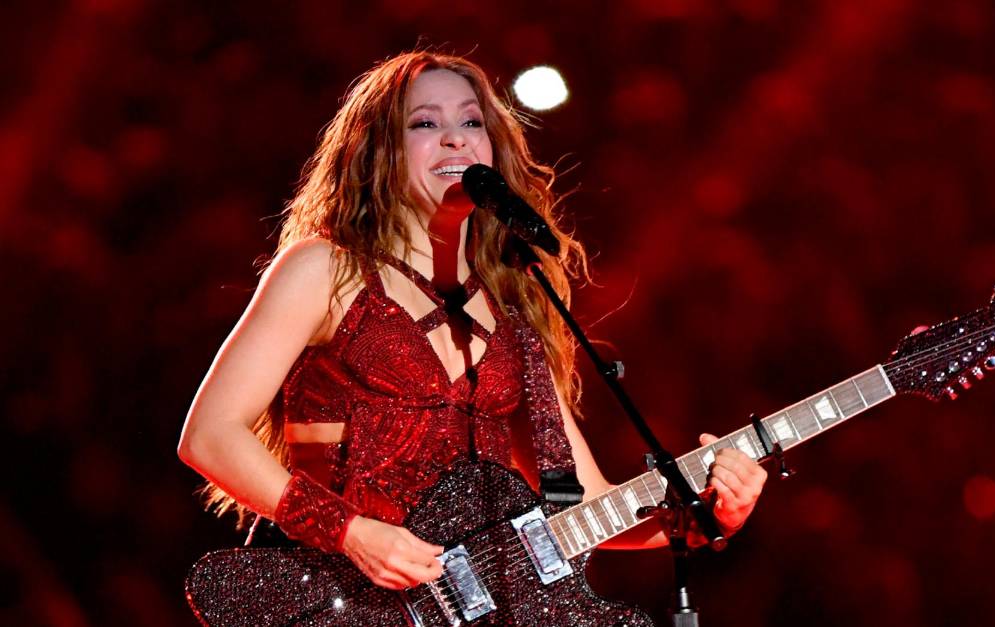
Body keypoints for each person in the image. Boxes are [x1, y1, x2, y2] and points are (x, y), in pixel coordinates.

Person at [178, 50, 767, 609]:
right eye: (425, 123)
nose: (456, 137)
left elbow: (585, 504)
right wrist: (352, 532)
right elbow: (209, 434)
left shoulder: (516, 301)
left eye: (471, 122)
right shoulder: (326, 268)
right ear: (378, 151)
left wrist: (706, 518)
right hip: (331, 598)